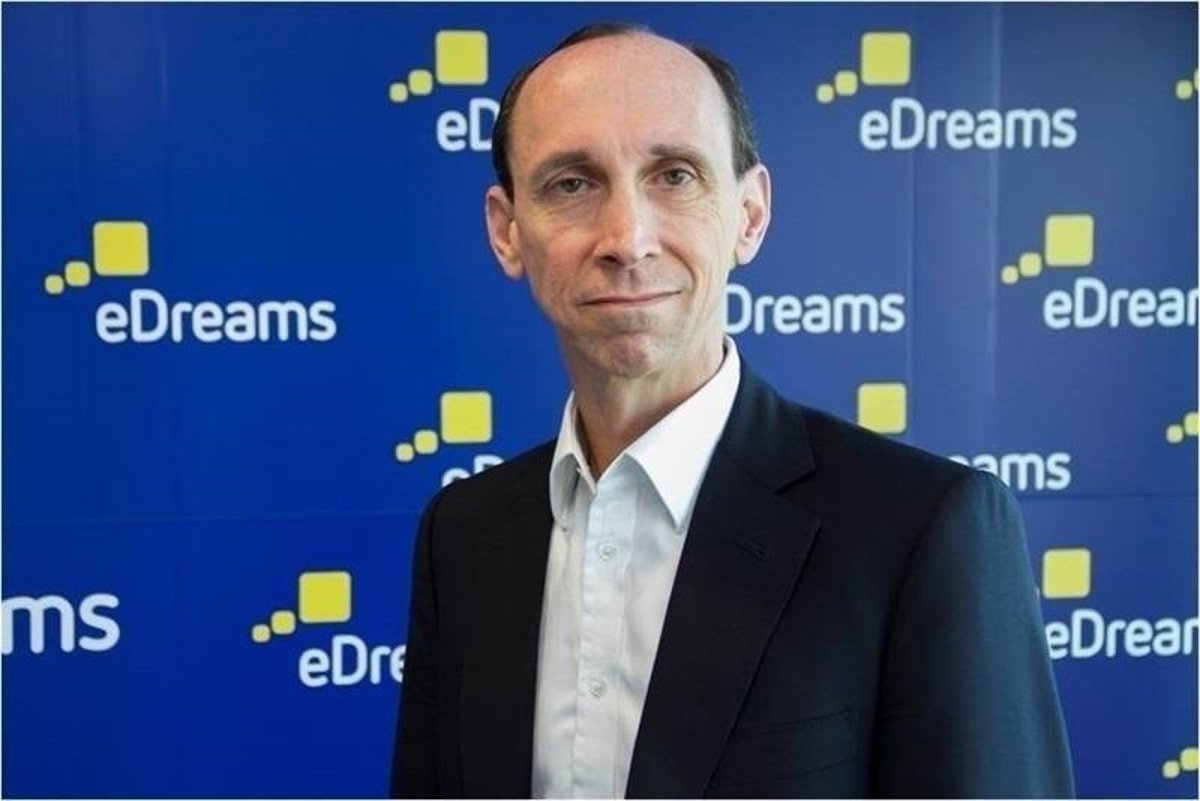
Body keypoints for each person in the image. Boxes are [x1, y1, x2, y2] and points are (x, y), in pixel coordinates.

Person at [391, 22, 1074, 799]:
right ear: (507, 231)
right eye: (572, 184)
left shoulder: (923, 531)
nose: (627, 238)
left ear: (749, 215)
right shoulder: (462, 535)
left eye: (675, 175)